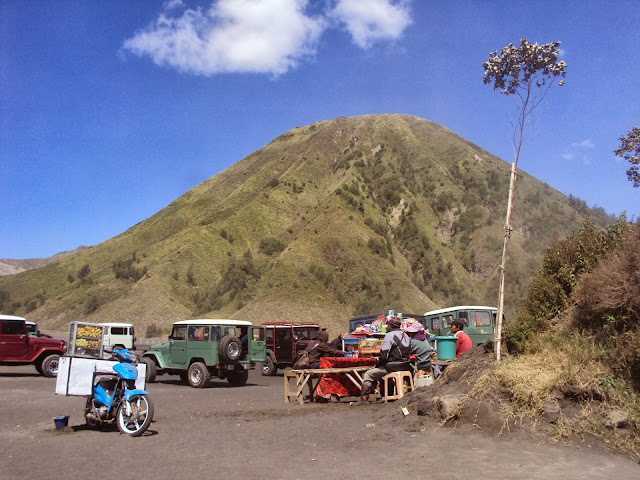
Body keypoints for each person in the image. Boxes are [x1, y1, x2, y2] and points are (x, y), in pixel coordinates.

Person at [351, 316, 411, 406]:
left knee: (369, 374)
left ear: (390, 326)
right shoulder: (406, 335)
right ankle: (390, 394)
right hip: (405, 365)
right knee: (387, 374)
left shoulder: (390, 336)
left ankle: (364, 399)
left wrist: (378, 364)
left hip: (393, 366)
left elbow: (384, 355)